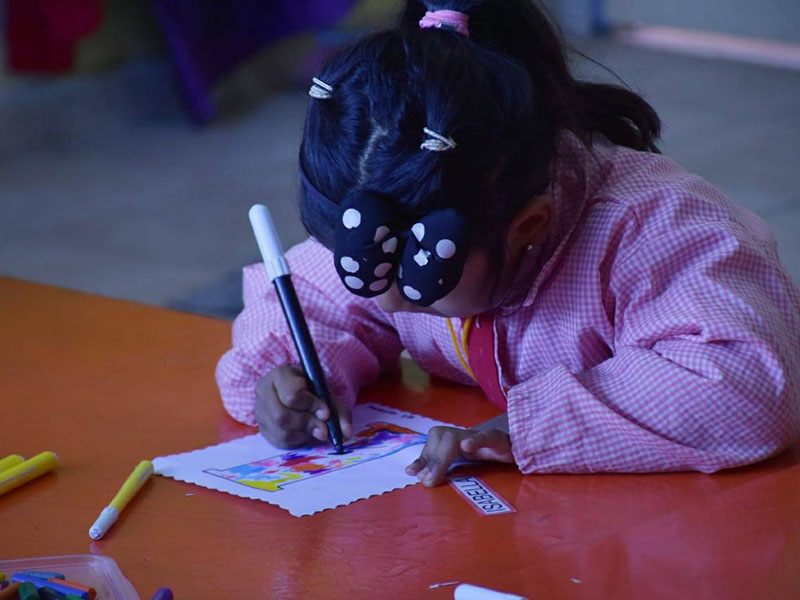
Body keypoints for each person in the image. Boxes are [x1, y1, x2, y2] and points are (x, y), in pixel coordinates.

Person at [216, 0, 800, 486]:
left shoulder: (654, 232)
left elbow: (745, 387)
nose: (385, 302)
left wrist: (527, 427)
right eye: (362, 270)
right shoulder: (393, 221)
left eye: (420, 285)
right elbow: (309, 301)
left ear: (528, 226)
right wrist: (289, 378)